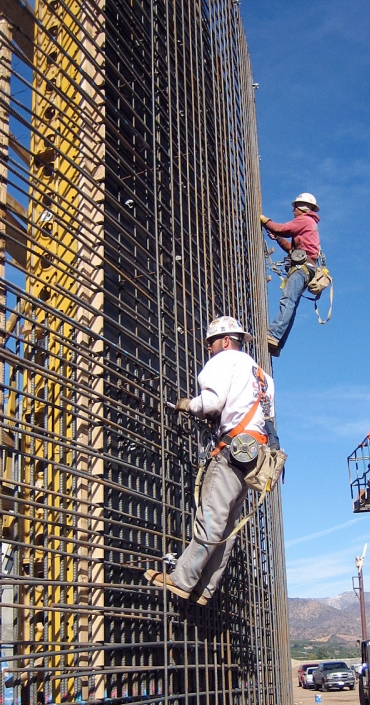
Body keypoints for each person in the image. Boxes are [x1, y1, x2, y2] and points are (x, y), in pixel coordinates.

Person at [146, 316, 275, 605]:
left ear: (226, 341)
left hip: (231, 450)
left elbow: (213, 402)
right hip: (254, 455)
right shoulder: (262, 375)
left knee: (212, 517)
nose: (209, 349)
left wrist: (189, 405)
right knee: (227, 526)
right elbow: (264, 417)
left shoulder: (224, 361)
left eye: (211, 343)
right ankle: (205, 589)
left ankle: (181, 580)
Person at [261, 192, 321, 355]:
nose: (293, 210)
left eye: (295, 207)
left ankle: (273, 335)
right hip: (307, 267)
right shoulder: (309, 224)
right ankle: (277, 343)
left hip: (302, 268)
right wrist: (278, 239)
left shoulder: (305, 220)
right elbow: (292, 249)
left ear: (302, 207)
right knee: (291, 304)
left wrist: (266, 221)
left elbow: (282, 228)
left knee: (288, 300)